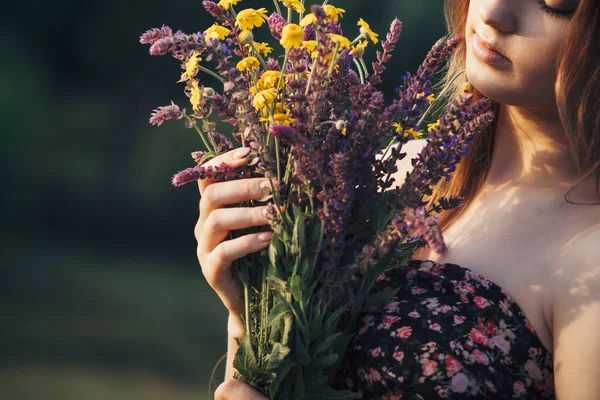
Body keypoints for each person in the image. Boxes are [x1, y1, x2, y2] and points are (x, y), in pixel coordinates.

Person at [194, 0, 600, 398]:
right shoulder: (383, 174)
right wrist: (252, 310)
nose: (494, 12)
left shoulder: (589, 259)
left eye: (553, 4)